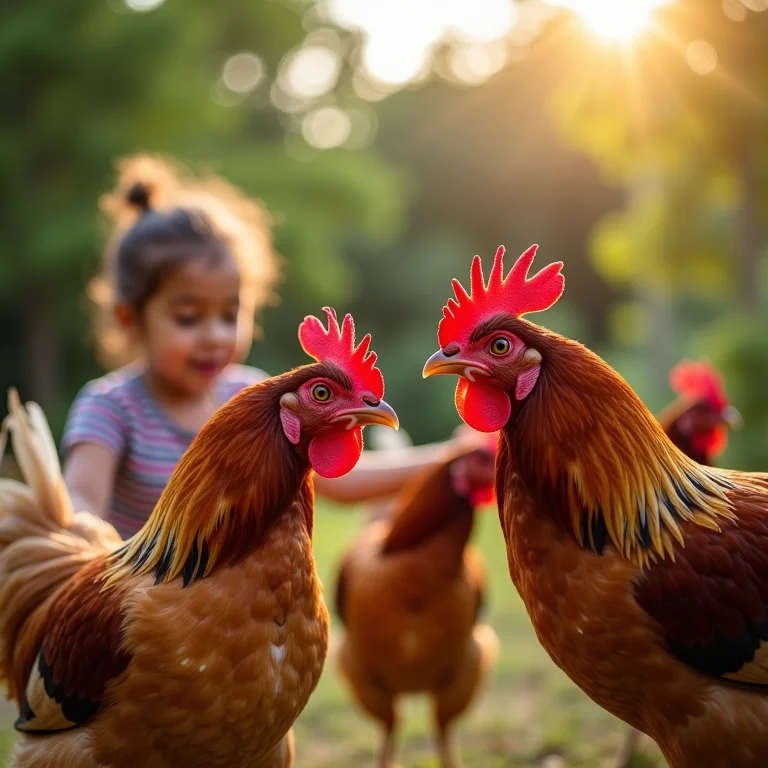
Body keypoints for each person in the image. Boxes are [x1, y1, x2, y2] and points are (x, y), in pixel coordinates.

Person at [62, 154, 471, 538]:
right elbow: (82, 501)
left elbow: (342, 479)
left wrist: (448, 456)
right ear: (129, 319)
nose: (215, 336)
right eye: (188, 318)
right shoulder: (110, 408)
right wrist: (78, 529)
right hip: (140, 605)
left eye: (229, 314)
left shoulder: (250, 397)